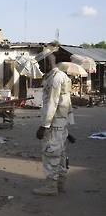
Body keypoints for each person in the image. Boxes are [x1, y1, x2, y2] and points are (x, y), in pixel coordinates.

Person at [33, 53, 74, 196]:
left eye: (40, 64)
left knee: (51, 154)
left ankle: (51, 186)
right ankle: (60, 183)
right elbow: (67, 102)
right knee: (61, 154)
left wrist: (43, 126)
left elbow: (52, 103)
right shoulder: (62, 76)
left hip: (53, 124)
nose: (39, 67)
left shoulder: (54, 79)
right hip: (61, 123)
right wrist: (67, 123)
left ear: (46, 63)